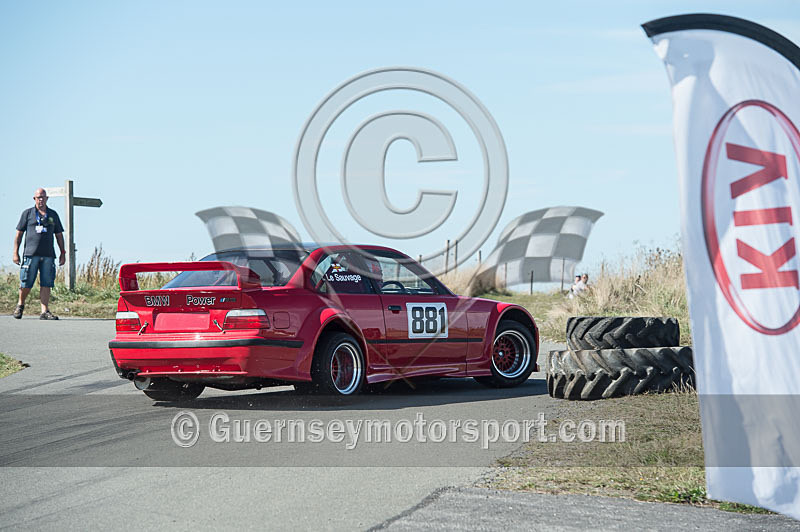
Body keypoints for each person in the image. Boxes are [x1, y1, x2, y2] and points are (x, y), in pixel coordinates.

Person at [12, 188, 66, 320]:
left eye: (43, 197)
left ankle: (44, 311)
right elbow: (19, 235)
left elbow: (59, 235)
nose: (41, 199)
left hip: (48, 255)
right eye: (38, 197)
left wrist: (62, 253)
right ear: (34, 199)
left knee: (46, 282)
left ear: (47, 198)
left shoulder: (53, 215)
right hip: (31, 254)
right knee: (26, 282)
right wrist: (15, 253)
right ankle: (20, 305)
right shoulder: (28, 214)